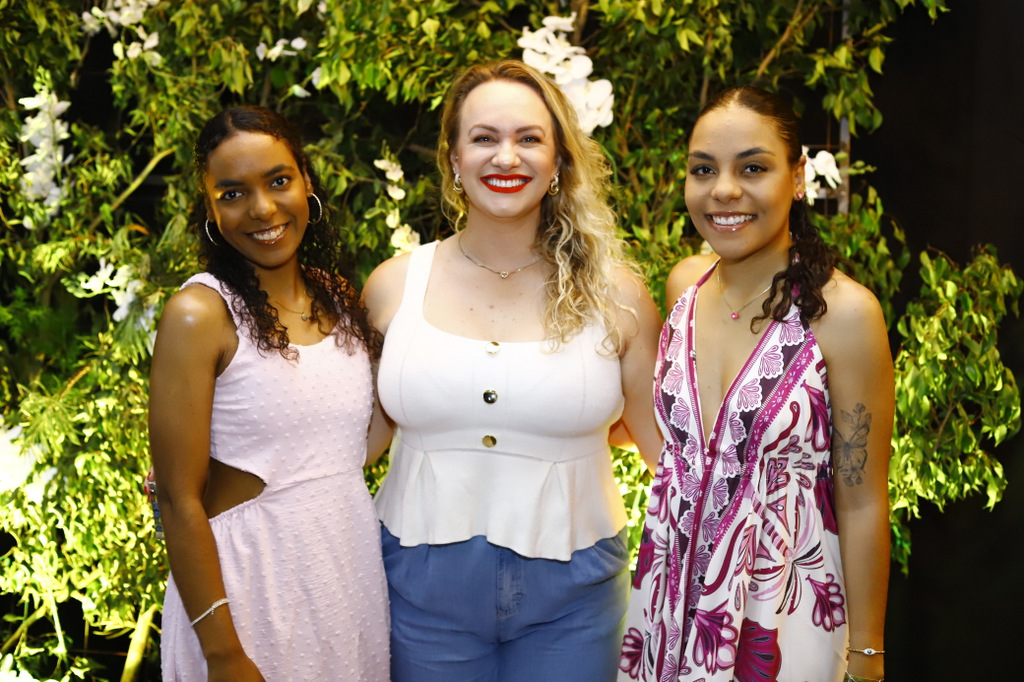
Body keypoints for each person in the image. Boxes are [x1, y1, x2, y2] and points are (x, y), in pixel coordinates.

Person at [361, 59, 664, 682]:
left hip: (577, 594)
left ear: (558, 161)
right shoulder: (393, 286)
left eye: (529, 138)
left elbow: (668, 454)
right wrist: (230, 472)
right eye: (484, 138)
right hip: (416, 586)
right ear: (454, 157)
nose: (507, 157)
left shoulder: (619, 297)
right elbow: (353, 441)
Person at [618, 86, 893, 682]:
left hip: (783, 620)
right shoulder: (683, 289)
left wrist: (867, 658)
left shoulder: (845, 315)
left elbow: (864, 500)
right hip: (665, 611)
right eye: (703, 169)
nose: (723, 190)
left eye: (752, 168)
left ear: (797, 178)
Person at [149, 106, 389, 682]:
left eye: (278, 180)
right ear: (210, 209)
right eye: (232, 194)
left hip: (346, 581)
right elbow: (178, 500)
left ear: (306, 181)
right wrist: (223, 655)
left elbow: (349, 449)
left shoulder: (336, 298)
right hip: (249, 595)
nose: (261, 208)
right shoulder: (199, 314)